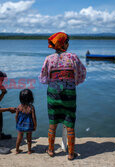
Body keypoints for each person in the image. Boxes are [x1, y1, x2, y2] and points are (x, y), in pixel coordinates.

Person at [39, 32, 86, 160]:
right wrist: (73, 82)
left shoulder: (49, 59)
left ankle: (50, 150)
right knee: (70, 123)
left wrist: (54, 83)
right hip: (69, 94)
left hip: (53, 94)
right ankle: (71, 154)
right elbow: (82, 73)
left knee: (52, 123)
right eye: (67, 41)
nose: (68, 44)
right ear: (64, 44)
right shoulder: (73, 57)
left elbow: (43, 78)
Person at [15, 89, 37, 154]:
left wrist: (17, 122)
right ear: (30, 98)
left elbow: (16, 116)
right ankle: (29, 150)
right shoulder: (31, 107)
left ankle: (17, 150)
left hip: (20, 125)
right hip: (29, 125)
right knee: (29, 138)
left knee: (19, 138)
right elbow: (34, 118)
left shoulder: (19, 107)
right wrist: (35, 125)